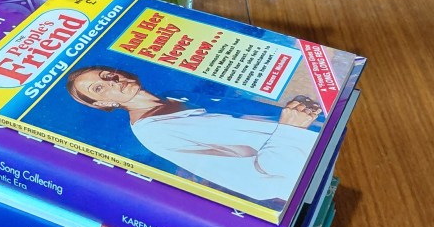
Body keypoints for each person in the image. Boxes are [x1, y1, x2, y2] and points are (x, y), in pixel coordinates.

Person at [66, 65, 322, 203]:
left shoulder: (176, 96)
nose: (112, 81)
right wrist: (291, 130)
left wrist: (294, 115)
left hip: (317, 137)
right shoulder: (155, 133)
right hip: (309, 174)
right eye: (100, 88)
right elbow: (253, 181)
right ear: (103, 105)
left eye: (107, 74)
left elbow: (249, 124)